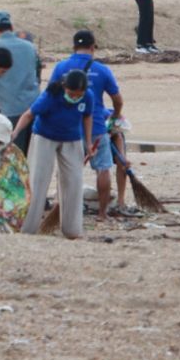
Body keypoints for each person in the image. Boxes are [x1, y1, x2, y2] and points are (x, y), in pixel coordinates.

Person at [52, 30, 126, 220]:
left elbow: (51, 95)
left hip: (68, 127)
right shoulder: (102, 70)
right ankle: (102, 213)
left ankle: (64, 211)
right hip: (97, 127)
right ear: (93, 47)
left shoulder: (61, 67)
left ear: (73, 47)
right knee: (102, 168)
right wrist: (115, 117)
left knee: (66, 170)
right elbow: (117, 99)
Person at [15, 68, 95, 239]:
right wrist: (15, 133)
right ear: (64, 87)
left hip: (72, 138)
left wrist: (88, 143)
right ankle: (27, 229)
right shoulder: (51, 96)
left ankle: (72, 230)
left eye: (78, 95)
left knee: (74, 182)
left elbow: (87, 117)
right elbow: (29, 115)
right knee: (38, 180)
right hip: (45, 137)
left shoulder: (88, 96)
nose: (74, 98)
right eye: (71, 93)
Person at [0, 11, 41, 153]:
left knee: (14, 157)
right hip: (35, 108)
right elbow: (38, 74)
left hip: (11, 111)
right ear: (11, 27)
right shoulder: (30, 47)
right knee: (32, 158)